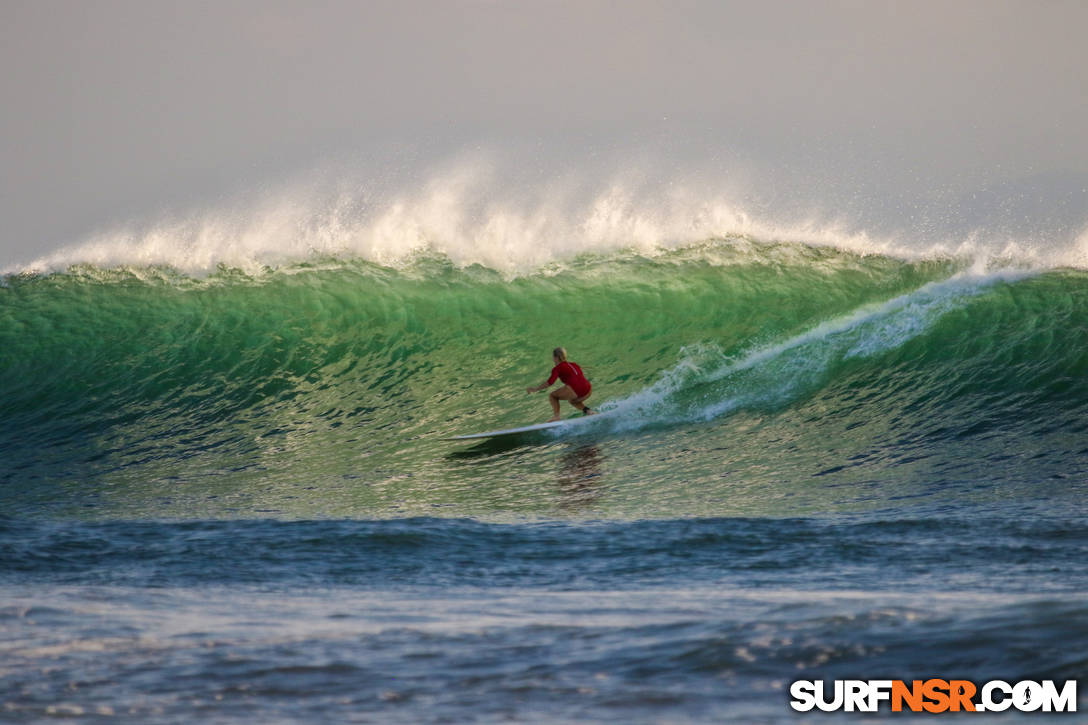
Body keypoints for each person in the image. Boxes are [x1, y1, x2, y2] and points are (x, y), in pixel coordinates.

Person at [527, 347, 597, 422]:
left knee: (552, 396)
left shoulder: (557, 368)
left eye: (553, 357)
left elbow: (550, 382)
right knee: (572, 401)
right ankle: (588, 411)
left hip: (576, 389)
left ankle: (556, 417)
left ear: (556, 357)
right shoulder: (573, 364)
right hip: (588, 389)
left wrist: (535, 389)